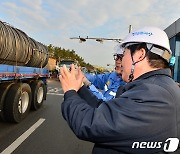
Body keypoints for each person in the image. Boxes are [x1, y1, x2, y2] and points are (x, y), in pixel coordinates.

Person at [59, 27, 180, 154]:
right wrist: (80, 89)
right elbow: (108, 112)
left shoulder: (152, 94)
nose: (121, 61)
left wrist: (70, 92)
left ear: (140, 54)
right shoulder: (154, 87)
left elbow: (89, 124)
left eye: (124, 54)